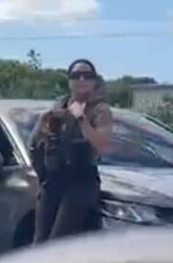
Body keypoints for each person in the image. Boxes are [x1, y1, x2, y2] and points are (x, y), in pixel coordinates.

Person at [30, 59, 113, 244]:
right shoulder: (58, 107)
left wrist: (81, 118)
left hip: (80, 181)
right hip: (53, 179)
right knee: (39, 242)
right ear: (69, 81)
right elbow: (36, 143)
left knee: (57, 241)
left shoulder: (100, 110)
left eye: (87, 76)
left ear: (94, 81)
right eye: (76, 76)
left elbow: (101, 144)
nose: (81, 80)